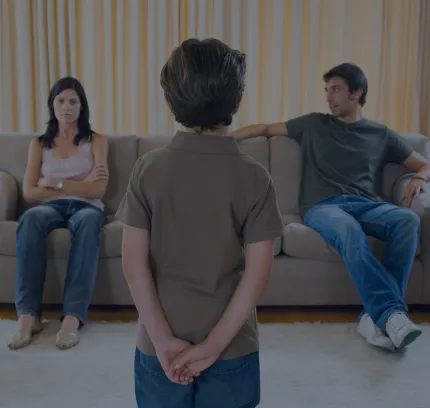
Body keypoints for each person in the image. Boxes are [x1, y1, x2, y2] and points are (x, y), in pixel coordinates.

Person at [115, 38, 283, 408]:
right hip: (232, 347)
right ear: (236, 103)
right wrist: (213, 346)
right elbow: (258, 274)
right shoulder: (255, 177)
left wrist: (162, 339)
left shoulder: (147, 169)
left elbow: (133, 265)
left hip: (159, 345)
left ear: (171, 102)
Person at [231, 62, 428, 352]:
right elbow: (266, 128)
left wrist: (420, 178)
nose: (328, 97)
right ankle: (391, 315)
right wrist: (226, 139)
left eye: (335, 89)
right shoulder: (314, 124)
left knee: (408, 220)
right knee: (349, 230)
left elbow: (424, 164)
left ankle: (374, 316)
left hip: (367, 205)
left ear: (356, 93)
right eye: (326, 90)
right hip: (324, 207)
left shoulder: (380, 134)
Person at [7, 76, 109, 351]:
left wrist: (55, 183)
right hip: (49, 207)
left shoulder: (97, 141)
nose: (67, 107)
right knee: (30, 218)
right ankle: (28, 317)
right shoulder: (39, 144)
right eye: (61, 101)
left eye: (73, 101)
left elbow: (99, 189)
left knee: (88, 221)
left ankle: (72, 318)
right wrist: (81, 184)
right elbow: (29, 193)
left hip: (88, 207)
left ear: (82, 106)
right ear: (52, 105)